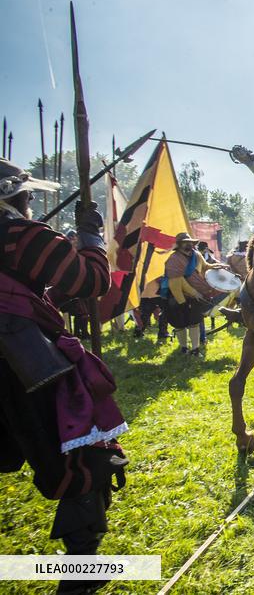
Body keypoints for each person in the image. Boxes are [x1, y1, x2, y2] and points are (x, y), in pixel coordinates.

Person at [0, 159, 128, 585]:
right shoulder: (21, 236)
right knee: (85, 456)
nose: (31, 201)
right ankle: (81, 575)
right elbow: (91, 280)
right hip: (22, 364)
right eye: (26, 195)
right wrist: (91, 237)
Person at [161, 232, 225, 356]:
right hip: (178, 296)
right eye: (186, 242)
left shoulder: (196, 255)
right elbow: (176, 281)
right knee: (179, 323)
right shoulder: (173, 259)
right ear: (179, 245)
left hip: (196, 295)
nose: (189, 244)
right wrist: (192, 293)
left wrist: (217, 266)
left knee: (195, 322)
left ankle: (195, 349)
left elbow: (206, 267)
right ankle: (184, 348)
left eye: (190, 242)